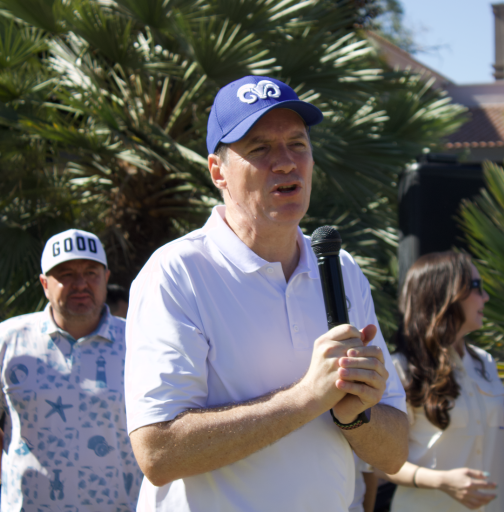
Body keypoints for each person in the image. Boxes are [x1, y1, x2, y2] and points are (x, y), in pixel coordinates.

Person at [124, 76, 408, 511]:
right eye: (259, 149)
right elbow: (158, 453)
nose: (286, 162)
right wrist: (306, 397)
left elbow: (393, 452)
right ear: (217, 172)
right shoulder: (176, 272)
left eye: (297, 143)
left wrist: (355, 415)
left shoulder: (341, 269)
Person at [0, 228, 142, 511]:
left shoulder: (138, 342)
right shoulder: (6, 340)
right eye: (66, 274)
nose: (80, 284)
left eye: (91, 272)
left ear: (106, 278)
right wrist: (13, 478)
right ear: (45, 283)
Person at [381, 251, 504, 511]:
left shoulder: (485, 362)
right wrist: (442, 481)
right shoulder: (399, 370)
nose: (485, 297)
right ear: (445, 293)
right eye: (476, 287)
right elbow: (378, 463)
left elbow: (499, 455)